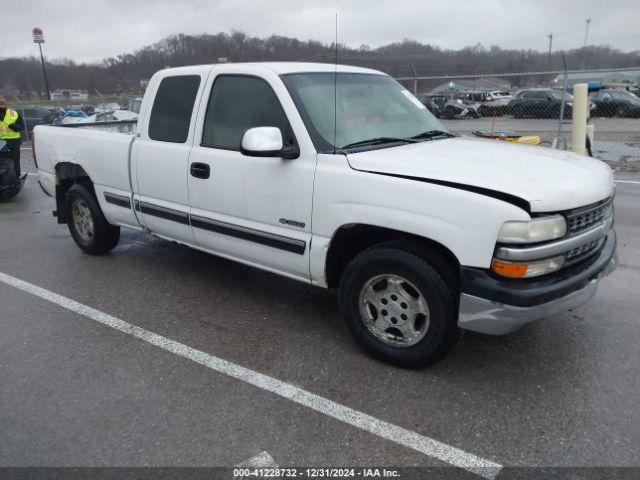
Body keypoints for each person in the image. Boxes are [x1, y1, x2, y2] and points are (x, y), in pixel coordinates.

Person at [0, 99, 25, 177]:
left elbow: (22, 127)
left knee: (15, 161)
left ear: (5, 105)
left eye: (2, 104)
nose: (1, 106)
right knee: (2, 161)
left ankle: (17, 177)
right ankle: (4, 179)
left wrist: (15, 127)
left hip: (14, 141)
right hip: (1, 142)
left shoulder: (13, 113)